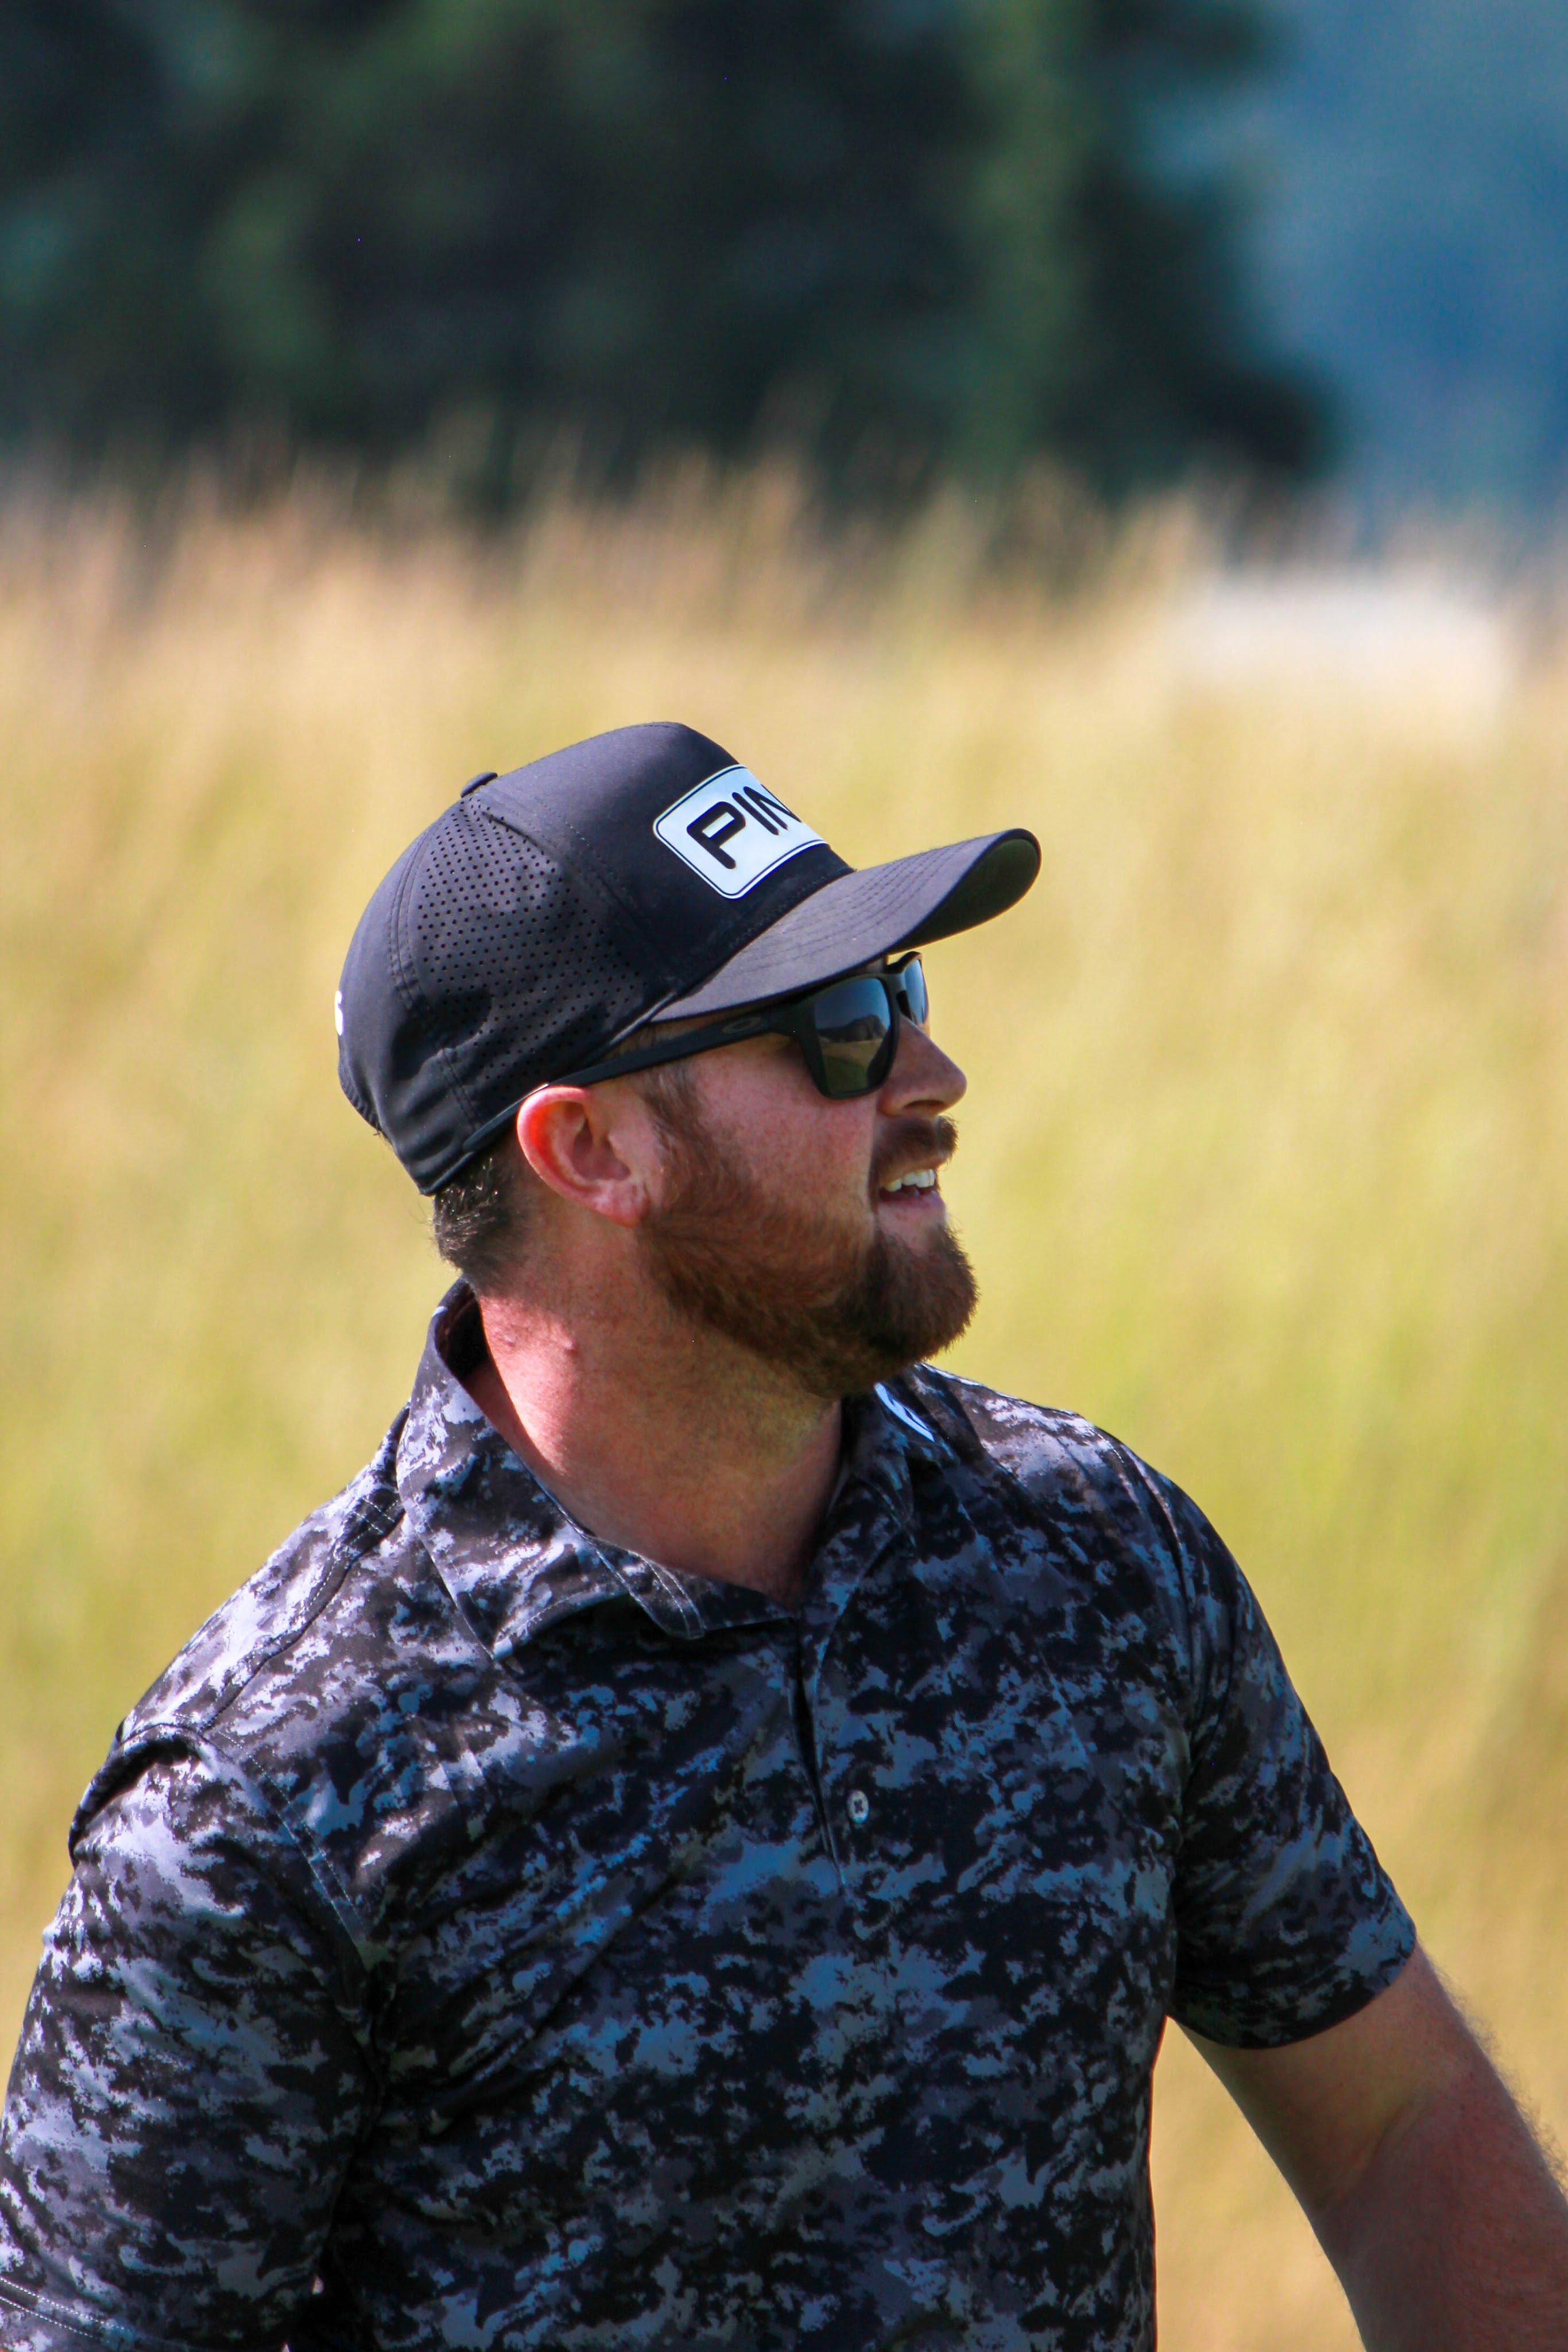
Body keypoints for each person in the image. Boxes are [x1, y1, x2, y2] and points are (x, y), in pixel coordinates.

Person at [1, 721, 1564, 2352]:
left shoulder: (1097, 1559)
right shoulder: (269, 1797)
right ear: (590, 1150)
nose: (928, 1078)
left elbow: (1397, 2133)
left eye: (901, 989)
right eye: (835, 1030)